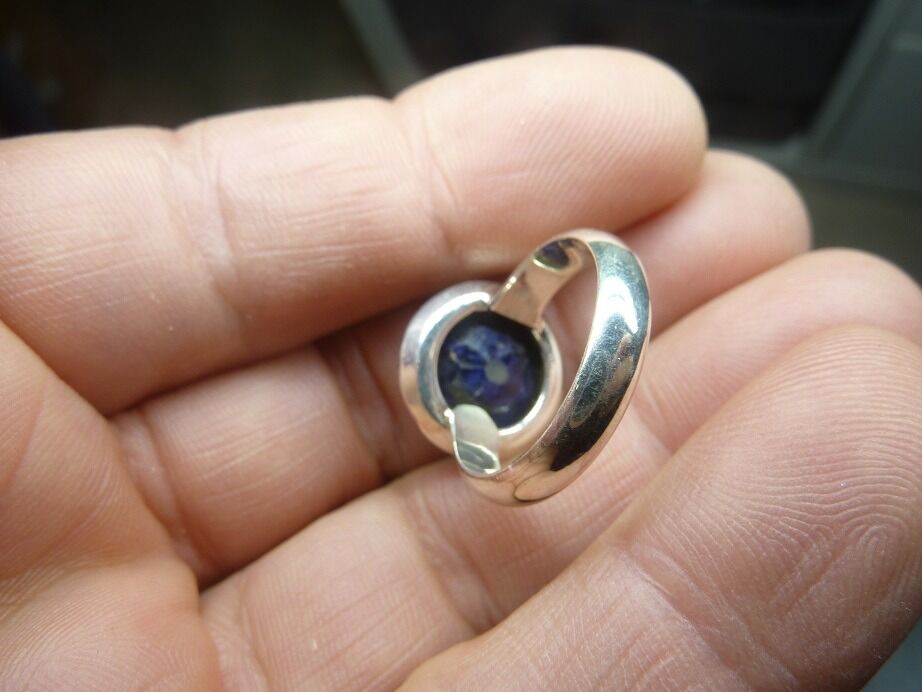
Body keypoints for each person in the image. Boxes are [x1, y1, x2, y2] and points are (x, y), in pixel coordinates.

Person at [0, 47, 920, 690]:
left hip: (501, 406)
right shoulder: (492, 374)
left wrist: (500, 440)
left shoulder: (517, 347)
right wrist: (492, 447)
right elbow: (564, 296)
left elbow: (582, 269)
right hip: (490, 415)